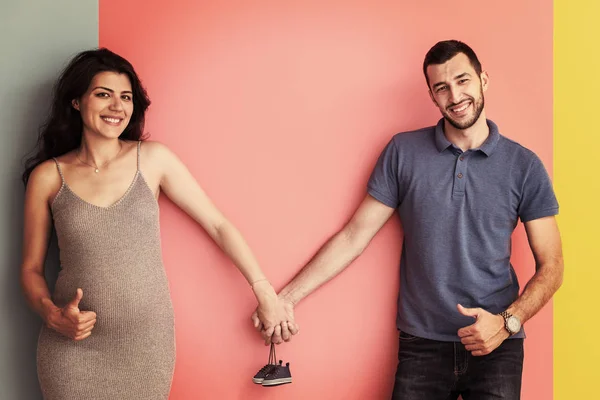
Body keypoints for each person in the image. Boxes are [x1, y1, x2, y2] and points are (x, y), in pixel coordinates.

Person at [252, 40, 563, 399]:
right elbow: (355, 236)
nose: (455, 95)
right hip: (422, 344)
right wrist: (285, 299)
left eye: (463, 80)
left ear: (483, 80)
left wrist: (508, 323)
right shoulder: (403, 151)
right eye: (441, 87)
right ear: (432, 97)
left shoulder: (523, 166)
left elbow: (552, 264)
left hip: (497, 343)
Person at [20, 48, 287, 400]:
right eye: (103, 94)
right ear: (76, 102)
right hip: (72, 350)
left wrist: (264, 291)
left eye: (126, 97)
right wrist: (53, 316)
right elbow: (30, 269)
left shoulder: (153, 159)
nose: (117, 106)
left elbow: (218, 224)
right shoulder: (48, 177)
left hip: (146, 349)